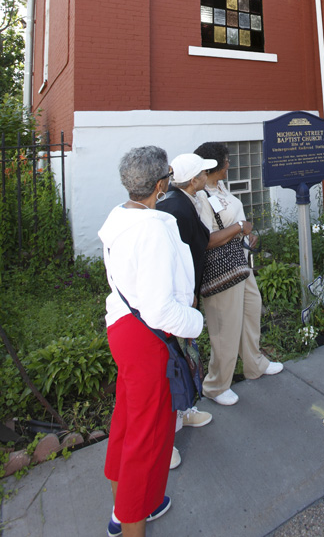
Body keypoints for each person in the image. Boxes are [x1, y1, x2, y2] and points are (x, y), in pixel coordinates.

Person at [100, 146, 204, 537]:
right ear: (161, 184)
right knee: (149, 436)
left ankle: (121, 505)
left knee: (127, 420)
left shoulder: (118, 217)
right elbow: (161, 309)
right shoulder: (155, 229)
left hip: (123, 328)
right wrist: (195, 321)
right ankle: (131, 523)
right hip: (150, 337)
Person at [194, 141, 283, 405]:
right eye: (227, 161)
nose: (230, 165)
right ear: (215, 166)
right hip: (221, 270)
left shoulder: (219, 187)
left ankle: (254, 363)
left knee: (251, 310)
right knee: (225, 326)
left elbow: (232, 221)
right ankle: (216, 385)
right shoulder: (200, 196)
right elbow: (206, 239)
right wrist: (240, 228)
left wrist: (248, 234)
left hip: (240, 262)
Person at [158, 153, 218, 450]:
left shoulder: (178, 200)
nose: (208, 176)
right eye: (204, 173)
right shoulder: (177, 207)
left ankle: (184, 411)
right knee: (177, 359)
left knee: (184, 355)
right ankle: (171, 428)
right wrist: (185, 293)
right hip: (177, 299)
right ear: (193, 180)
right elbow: (179, 256)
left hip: (183, 294)